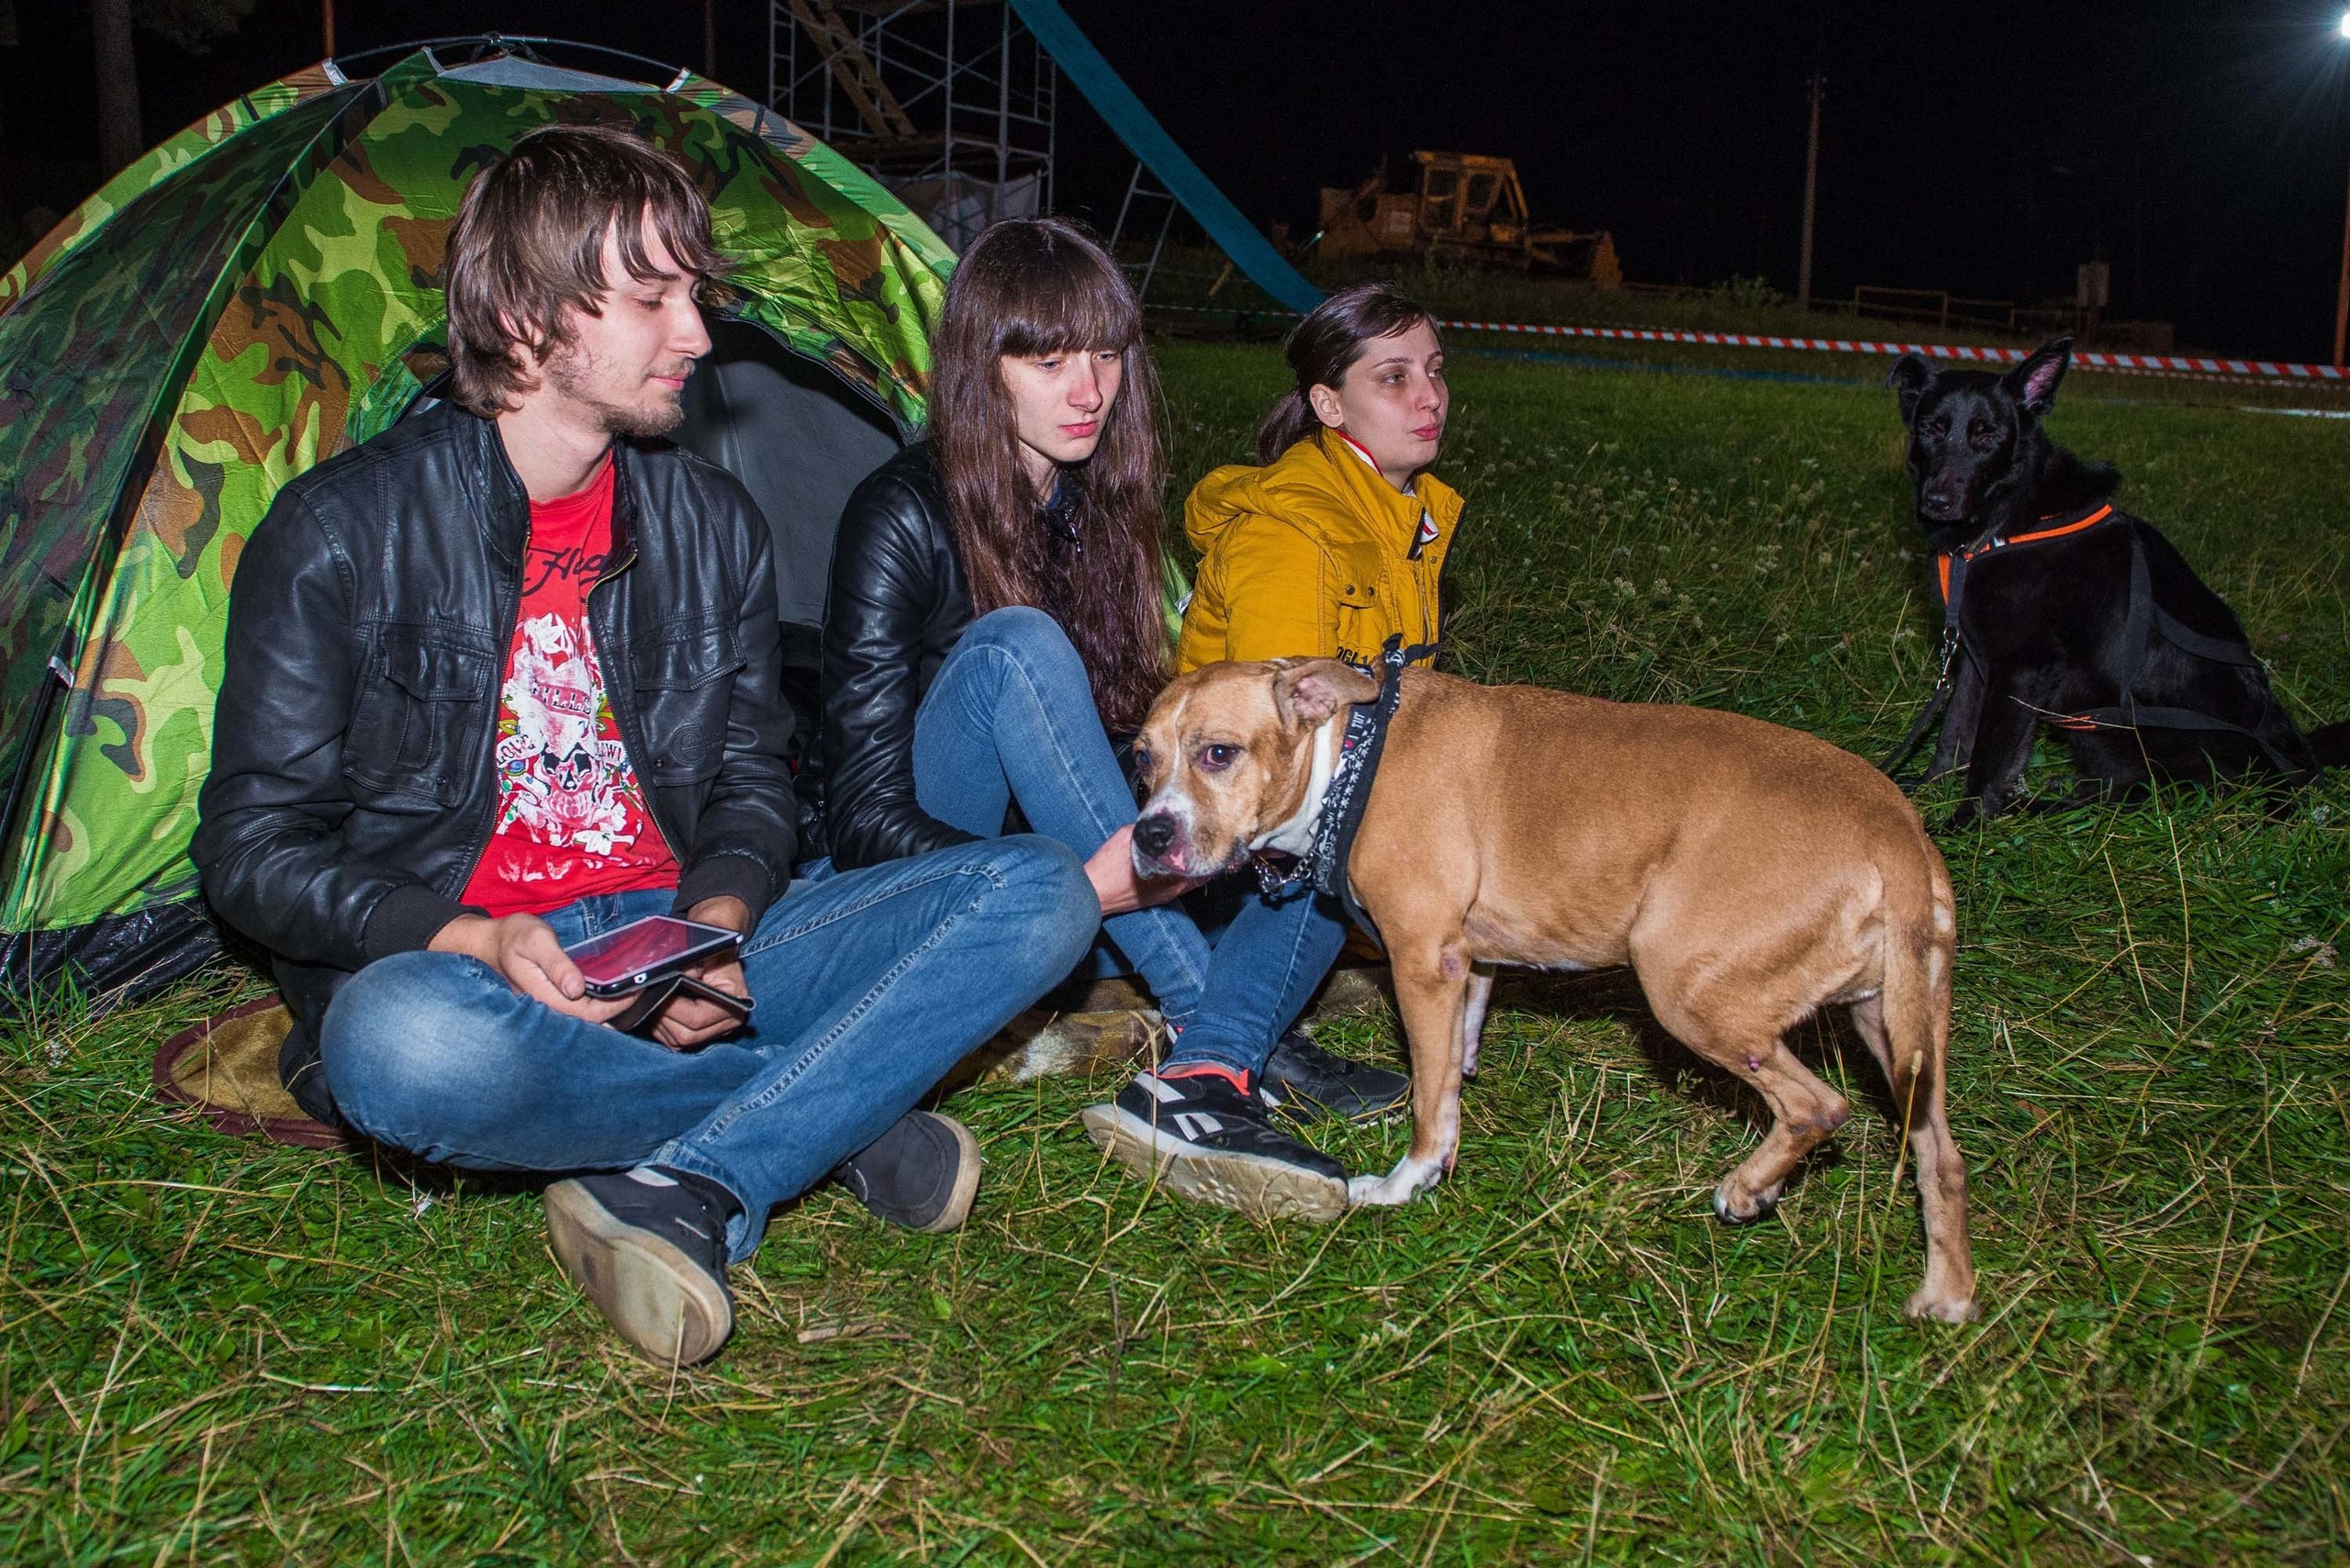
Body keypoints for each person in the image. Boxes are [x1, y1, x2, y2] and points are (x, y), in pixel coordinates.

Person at [192, 126, 1098, 1370]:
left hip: (679, 929)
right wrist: (472, 937)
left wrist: (715, 930)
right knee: (396, 1046)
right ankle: (829, 1122)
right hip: (477, 961)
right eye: (653, 299)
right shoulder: (342, 532)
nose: (699, 337)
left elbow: (747, 784)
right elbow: (250, 851)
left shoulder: (708, 523)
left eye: (694, 296)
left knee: (1038, 887)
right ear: (524, 319)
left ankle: (706, 1169)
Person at [806, 218, 1404, 1224]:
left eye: (1107, 354)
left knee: (1312, 805)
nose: (1088, 389)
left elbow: (1129, 739)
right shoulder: (900, 512)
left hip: (1063, 848)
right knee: (1018, 649)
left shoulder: (1096, 509)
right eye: (1046, 359)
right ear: (978, 368)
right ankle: (1222, 1035)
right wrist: (1056, 886)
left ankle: (1217, 1050)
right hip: (914, 865)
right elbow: (860, 818)